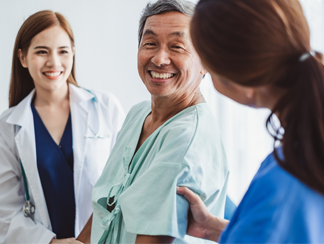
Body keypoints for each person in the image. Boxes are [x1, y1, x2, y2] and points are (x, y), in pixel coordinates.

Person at [177, 0, 324, 243]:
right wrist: (216, 230)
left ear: (241, 84)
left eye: (208, 67)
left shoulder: (285, 182)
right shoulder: (306, 155)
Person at [91, 0, 229, 243]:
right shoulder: (137, 114)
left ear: (205, 62)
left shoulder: (186, 137)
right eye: (150, 44)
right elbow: (107, 211)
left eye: (177, 46)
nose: (160, 58)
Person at [0, 10, 125, 244]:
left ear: (73, 54)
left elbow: (127, 185)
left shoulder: (106, 108)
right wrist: (50, 243)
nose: (54, 62)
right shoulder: (7, 127)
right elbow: (5, 212)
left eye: (63, 51)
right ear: (23, 57)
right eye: (41, 52)